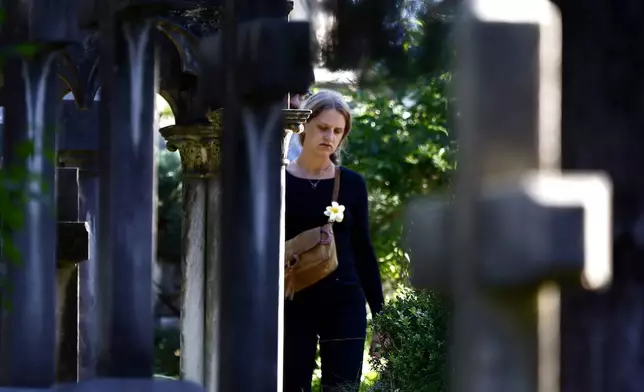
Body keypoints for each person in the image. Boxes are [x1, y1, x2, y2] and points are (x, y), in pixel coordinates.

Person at [284, 89, 385, 392]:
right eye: (323, 127)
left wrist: (381, 315)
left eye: (338, 131)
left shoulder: (352, 184)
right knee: (291, 385)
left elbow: (364, 250)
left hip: (345, 302)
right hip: (293, 300)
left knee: (342, 388)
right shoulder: (279, 179)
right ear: (304, 126)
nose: (330, 136)